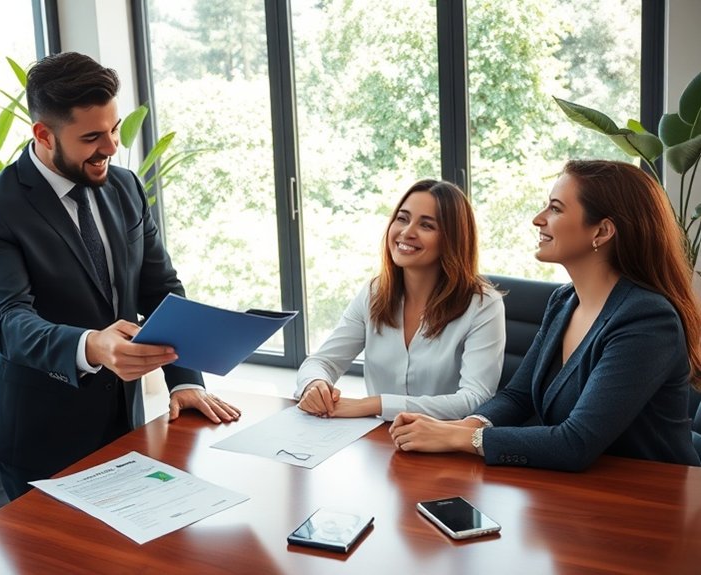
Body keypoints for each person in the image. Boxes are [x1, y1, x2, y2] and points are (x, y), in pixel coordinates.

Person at [0, 52, 240, 499]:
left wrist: (184, 380)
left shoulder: (125, 186)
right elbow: (8, 322)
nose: (110, 147)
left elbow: (161, 289)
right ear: (43, 134)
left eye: (112, 130)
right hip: (36, 431)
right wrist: (90, 345)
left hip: (119, 418)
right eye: (92, 137)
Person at [389, 160, 701, 471]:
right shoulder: (564, 301)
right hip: (582, 493)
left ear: (603, 231)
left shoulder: (647, 320)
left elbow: (575, 443)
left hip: (654, 499)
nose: (539, 219)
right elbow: (517, 396)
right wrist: (460, 426)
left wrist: (461, 439)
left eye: (555, 209)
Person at [295, 179, 505, 421]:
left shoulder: (483, 305)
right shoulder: (375, 292)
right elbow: (323, 361)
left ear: (452, 239)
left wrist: (374, 405)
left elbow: (474, 399)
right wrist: (315, 384)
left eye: (426, 225)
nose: (406, 232)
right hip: (380, 441)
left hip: (446, 447)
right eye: (402, 219)